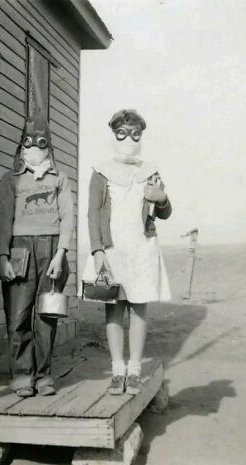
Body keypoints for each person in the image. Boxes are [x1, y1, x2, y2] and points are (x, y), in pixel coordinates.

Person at [83, 109, 172, 395]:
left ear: (141, 135)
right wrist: (97, 250)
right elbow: (92, 213)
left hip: (141, 249)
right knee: (113, 310)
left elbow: (165, 212)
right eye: (123, 132)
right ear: (114, 134)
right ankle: (117, 370)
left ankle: (134, 370)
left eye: (135, 133)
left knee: (139, 308)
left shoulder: (150, 171)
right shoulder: (101, 171)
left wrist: (162, 200)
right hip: (112, 250)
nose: (129, 138)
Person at [0, 117, 75, 397]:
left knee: (46, 314)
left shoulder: (60, 178)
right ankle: (21, 375)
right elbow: (4, 220)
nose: (33, 147)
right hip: (19, 248)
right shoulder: (10, 180)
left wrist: (60, 254)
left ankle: (43, 375)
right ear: (21, 145)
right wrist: (3, 255)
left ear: (49, 146)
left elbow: (67, 218)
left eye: (40, 141)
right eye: (28, 141)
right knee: (18, 315)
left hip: (51, 250)